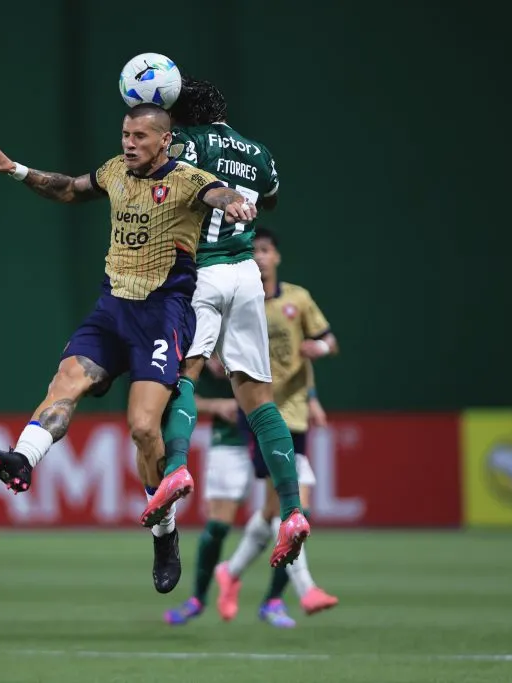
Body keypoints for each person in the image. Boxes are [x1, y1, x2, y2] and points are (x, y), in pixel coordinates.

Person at [0, 103, 256, 594]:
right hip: (111, 311)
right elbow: (69, 188)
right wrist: (17, 169)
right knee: (65, 382)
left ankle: (164, 535)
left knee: (143, 428)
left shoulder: (187, 179)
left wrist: (232, 201)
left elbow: (216, 191)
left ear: (164, 140)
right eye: (125, 133)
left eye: (140, 136)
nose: (129, 143)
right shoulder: (113, 172)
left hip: (162, 315)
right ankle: (23, 460)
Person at [154, 77, 310, 569]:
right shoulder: (257, 151)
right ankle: (292, 512)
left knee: (184, 375)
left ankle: (176, 468)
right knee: (259, 399)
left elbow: (163, 181)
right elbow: (272, 196)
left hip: (202, 269)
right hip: (246, 275)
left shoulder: (187, 141)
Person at [165, 226, 340, 627]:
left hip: (292, 413)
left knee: (285, 509)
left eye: (265, 250)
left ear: (276, 256)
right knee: (263, 513)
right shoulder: (226, 297)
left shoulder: (296, 300)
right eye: (254, 249)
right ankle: (232, 592)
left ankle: (260, 590)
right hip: (251, 418)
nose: (259, 257)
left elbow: (312, 348)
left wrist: (314, 390)